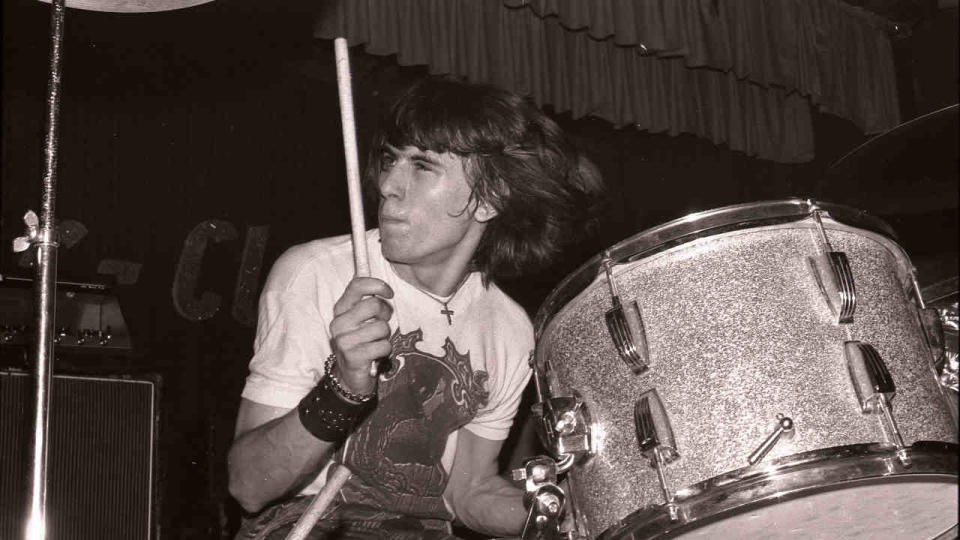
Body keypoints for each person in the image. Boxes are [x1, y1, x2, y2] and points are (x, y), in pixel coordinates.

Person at [228, 77, 602, 539]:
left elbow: (466, 493)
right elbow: (248, 486)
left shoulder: (509, 329)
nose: (387, 184)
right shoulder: (316, 273)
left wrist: (561, 518)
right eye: (390, 159)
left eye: (422, 166)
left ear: (489, 199)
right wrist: (342, 388)